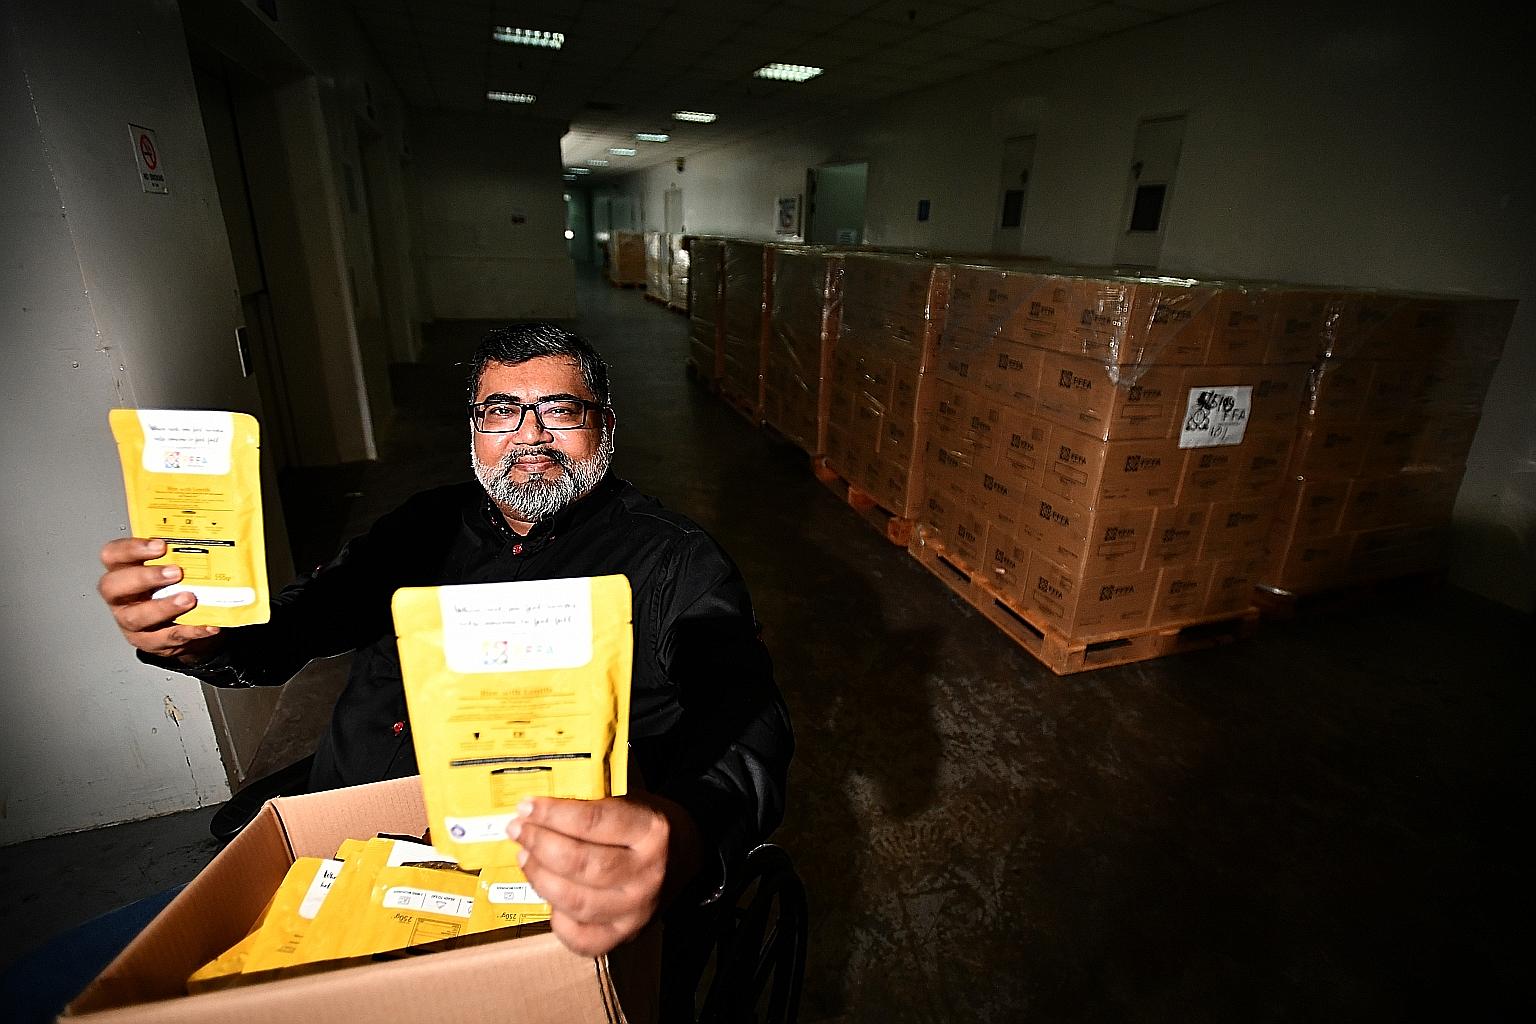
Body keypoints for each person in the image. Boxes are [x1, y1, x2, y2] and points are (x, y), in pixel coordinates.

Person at [97, 323, 794, 964]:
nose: (530, 435)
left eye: (560, 410)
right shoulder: (424, 524)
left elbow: (746, 717)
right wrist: (196, 638)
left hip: (524, 868)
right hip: (352, 834)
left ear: (604, 427)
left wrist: (685, 828)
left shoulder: (673, 560)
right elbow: (305, 619)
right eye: (501, 411)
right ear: (474, 431)